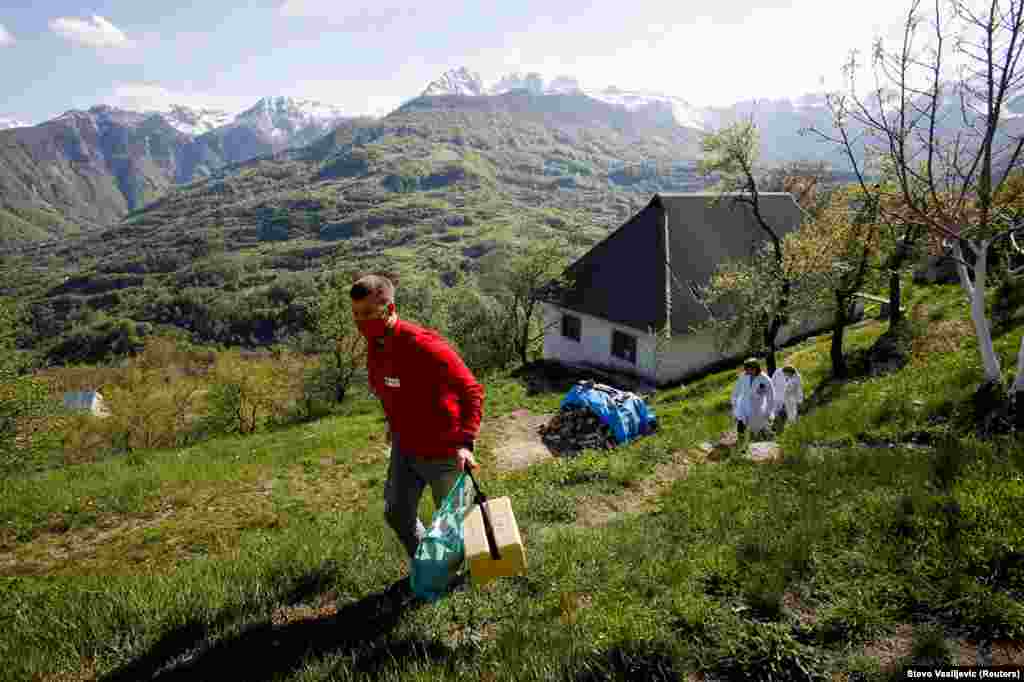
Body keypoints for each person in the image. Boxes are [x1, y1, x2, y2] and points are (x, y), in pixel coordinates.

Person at [349, 274, 484, 583]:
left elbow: (472, 390)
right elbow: (390, 388)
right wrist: (392, 423)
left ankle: (448, 575)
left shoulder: (424, 345)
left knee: (450, 524)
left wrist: (466, 441)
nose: (361, 322)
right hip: (405, 447)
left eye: (368, 313)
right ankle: (430, 563)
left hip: (444, 451)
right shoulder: (375, 344)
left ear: (389, 308)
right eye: (356, 314)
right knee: (396, 513)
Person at [731, 358, 775, 439]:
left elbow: (771, 398)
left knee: (757, 429)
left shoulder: (765, 380)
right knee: (741, 424)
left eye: (748, 370)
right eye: (746, 370)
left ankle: (763, 439)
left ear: (755, 368)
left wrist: (768, 412)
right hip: (743, 405)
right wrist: (734, 401)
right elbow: (736, 389)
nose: (746, 372)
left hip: (756, 408)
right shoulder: (744, 376)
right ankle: (740, 442)